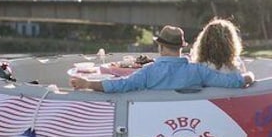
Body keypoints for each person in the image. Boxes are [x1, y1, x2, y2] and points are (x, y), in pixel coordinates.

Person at [70, 25, 254, 92]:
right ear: (182, 48)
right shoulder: (199, 71)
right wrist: (250, 77)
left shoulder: (148, 72)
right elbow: (233, 82)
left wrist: (88, 84)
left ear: (160, 47)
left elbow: (120, 85)